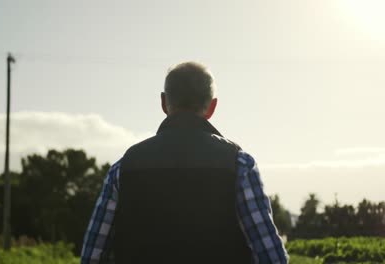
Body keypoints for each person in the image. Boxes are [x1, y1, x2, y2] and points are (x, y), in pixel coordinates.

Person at [81, 62, 289, 264]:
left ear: (163, 102)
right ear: (212, 107)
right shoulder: (239, 164)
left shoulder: (123, 167)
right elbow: (271, 256)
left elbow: (93, 256)